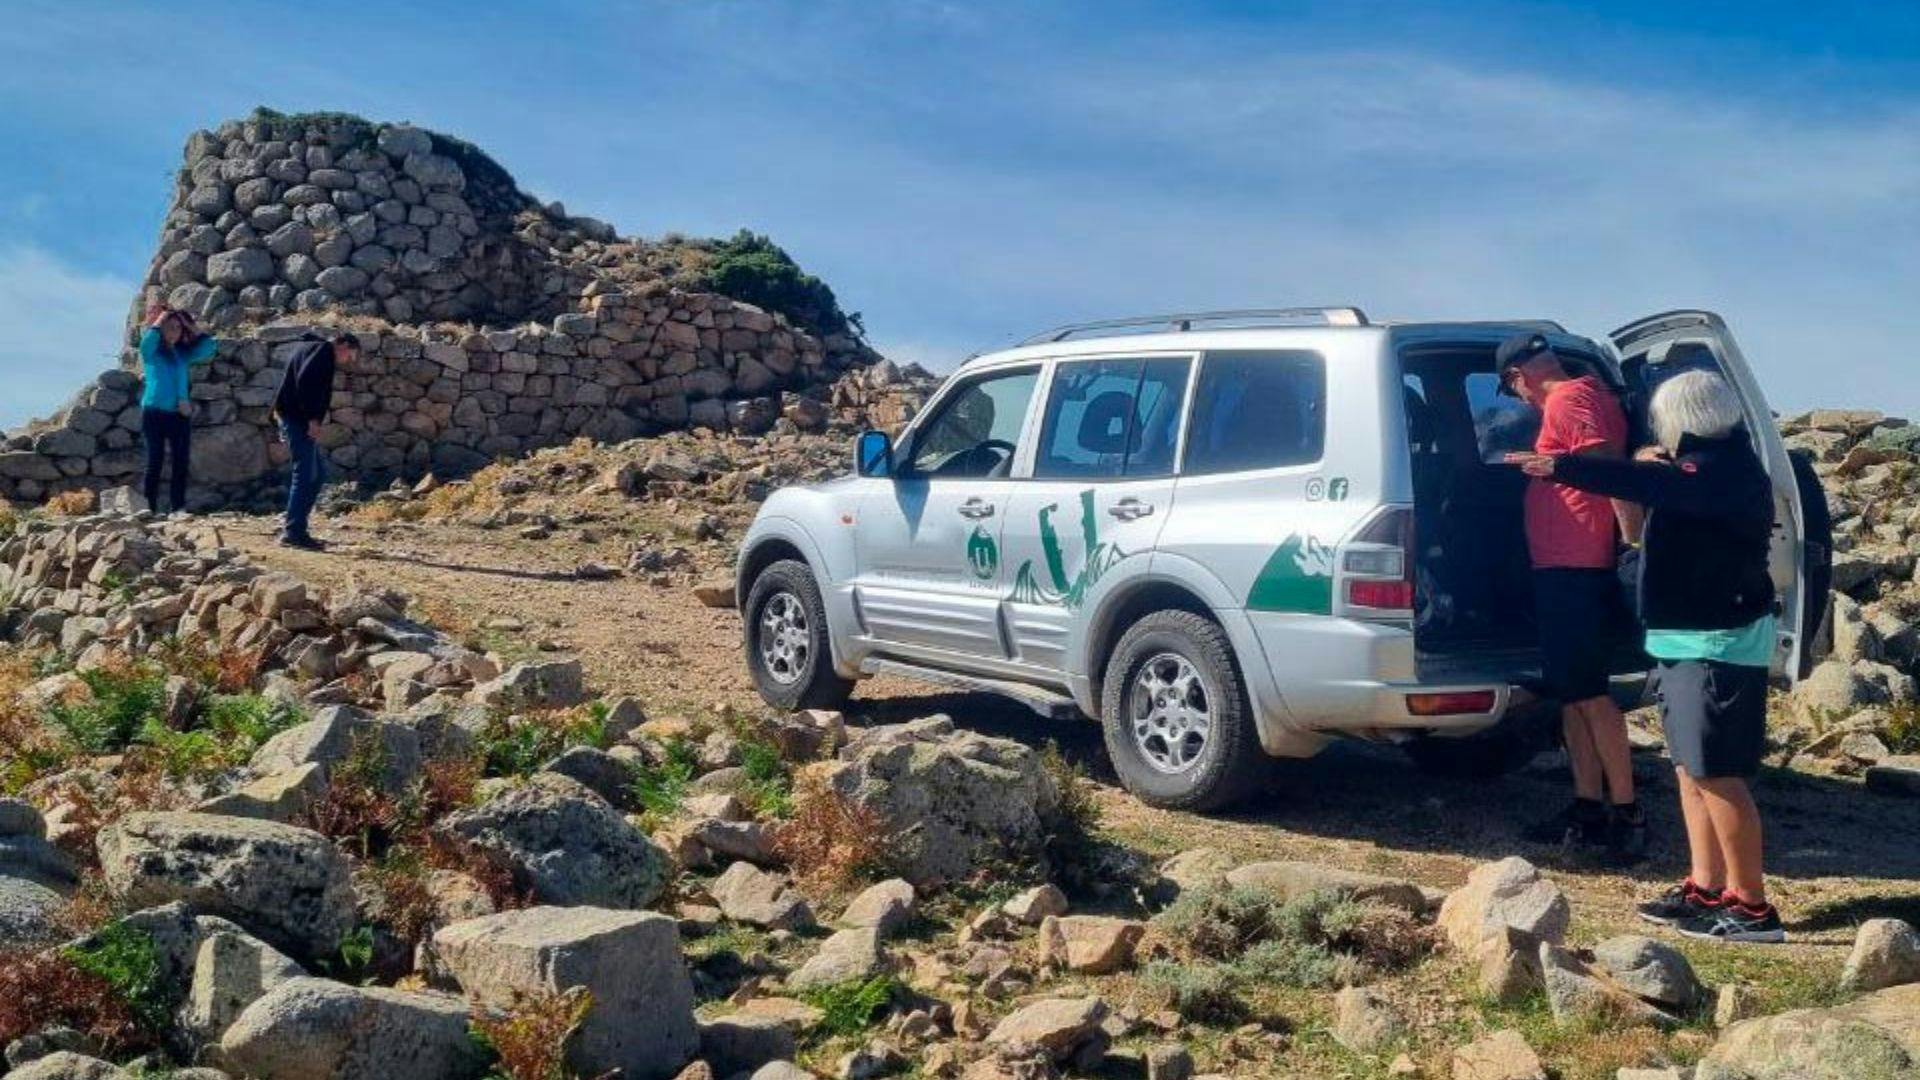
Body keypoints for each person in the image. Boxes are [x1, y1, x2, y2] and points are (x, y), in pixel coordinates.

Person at [1509, 371, 1784, 943]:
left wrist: (1561, 465)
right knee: (1689, 769)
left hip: (1717, 644)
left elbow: (1645, 484)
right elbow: (1656, 483)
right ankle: (1706, 888)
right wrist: (1647, 461)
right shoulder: (1702, 468)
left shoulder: (1721, 472)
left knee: (1718, 775)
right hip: (1683, 640)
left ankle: (1753, 909)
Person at [1495, 332, 1647, 863]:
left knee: (1589, 693)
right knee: (1573, 690)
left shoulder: (1569, 398)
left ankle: (1626, 814)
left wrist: (1633, 546)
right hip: (1563, 565)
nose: (1521, 402)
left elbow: (1609, 473)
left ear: (1519, 378)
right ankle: (1587, 806)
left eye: (1514, 391)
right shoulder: (1587, 396)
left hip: (1578, 564)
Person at [271, 331, 354, 550]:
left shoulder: (310, 348)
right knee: (306, 474)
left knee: (316, 476)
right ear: (342, 344)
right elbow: (306, 382)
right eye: (351, 354)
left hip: (293, 417)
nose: (349, 360)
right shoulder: (323, 351)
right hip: (296, 419)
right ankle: (293, 533)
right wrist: (313, 419)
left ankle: (297, 528)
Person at [136, 305, 216, 514]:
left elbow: (209, 347)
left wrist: (191, 325)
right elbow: (147, 342)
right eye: (170, 327)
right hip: (153, 412)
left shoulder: (182, 354)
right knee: (155, 460)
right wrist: (162, 318)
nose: (175, 332)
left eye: (178, 329)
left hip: (179, 414)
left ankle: (178, 508)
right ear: (162, 329)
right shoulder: (151, 353)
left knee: (181, 461)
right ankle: (148, 509)